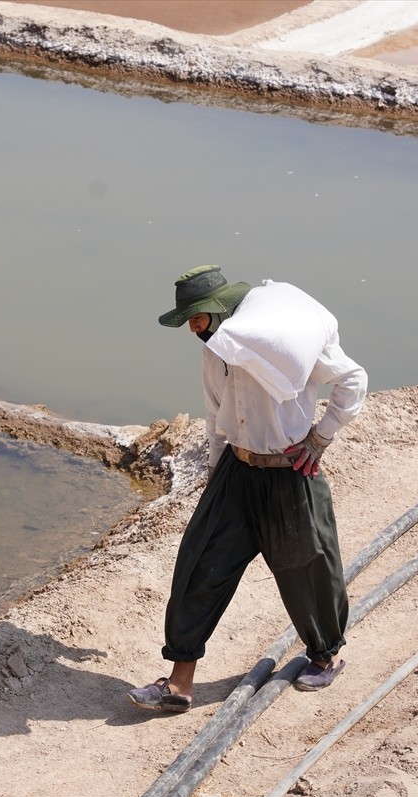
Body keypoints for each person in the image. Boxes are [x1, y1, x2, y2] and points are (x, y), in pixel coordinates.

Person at [128, 264, 367, 712]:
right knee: (199, 567)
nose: (194, 328)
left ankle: (325, 656)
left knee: (308, 567)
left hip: (288, 472)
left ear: (219, 311)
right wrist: (215, 478)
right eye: (189, 320)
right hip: (235, 472)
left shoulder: (283, 343)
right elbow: (216, 418)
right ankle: (179, 684)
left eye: (198, 317)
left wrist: (320, 437)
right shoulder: (214, 352)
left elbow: (354, 380)